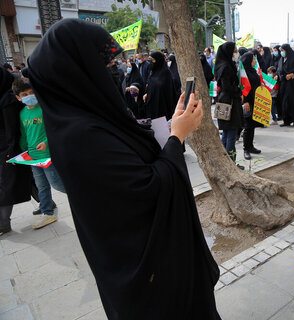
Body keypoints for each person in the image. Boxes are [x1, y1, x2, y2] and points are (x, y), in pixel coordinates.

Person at [28, 18, 221, 319]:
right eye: (102, 65)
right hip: (148, 280)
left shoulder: (89, 118)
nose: (110, 72)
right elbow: (146, 189)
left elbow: (133, 159)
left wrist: (172, 128)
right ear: (78, 72)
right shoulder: (80, 134)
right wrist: (178, 137)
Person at [12, 78, 66, 229]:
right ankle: (47, 212)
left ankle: (82, 196)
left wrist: (47, 143)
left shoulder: (44, 108)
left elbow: (55, 129)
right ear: (18, 97)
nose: (29, 96)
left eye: (31, 92)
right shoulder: (22, 113)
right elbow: (24, 134)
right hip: (33, 157)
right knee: (41, 185)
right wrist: (23, 152)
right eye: (24, 94)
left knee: (57, 184)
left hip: (48, 155)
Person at [0, 67, 33, 235]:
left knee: (7, 183)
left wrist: (11, 149)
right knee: (30, 176)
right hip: (14, 145)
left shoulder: (8, 100)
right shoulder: (9, 97)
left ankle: (3, 223)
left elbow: (12, 128)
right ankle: (46, 203)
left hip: (12, 146)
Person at [214, 42, 244, 169]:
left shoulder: (225, 64)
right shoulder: (226, 67)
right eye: (234, 51)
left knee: (226, 133)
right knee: (230, 133)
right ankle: (231, 164)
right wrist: (239, 92)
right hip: (229, 102)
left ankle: (224, 163)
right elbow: (227, 87)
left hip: (226, 100)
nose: (236, 54)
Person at [240, 52, 263, 160]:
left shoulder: (253, 71)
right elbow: (243, 89)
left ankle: (251, 146)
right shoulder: (243, 73)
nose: (255, 61)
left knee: (252, 125)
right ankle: (246, 149)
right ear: (248, 61)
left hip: (255, 101)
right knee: (248, 126)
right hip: (248, 102)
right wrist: (245, 102)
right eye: (253, 59)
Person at [144, 51, 177, 120]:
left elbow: (168, 92)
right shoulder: (152, 72)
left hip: (163, 106)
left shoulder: (166, 73)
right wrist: (147, 94)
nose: (151, 62)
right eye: (150, 60)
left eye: (153, 60)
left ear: (158, 60)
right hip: (153, 105)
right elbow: (151, 85)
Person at [279, 44, 294, 127]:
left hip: (292, 84)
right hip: (284, 83)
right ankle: (286, 120)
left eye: (283, 50)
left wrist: (293, 74)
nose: (281, 52)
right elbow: (280, 70)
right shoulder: (282, 59)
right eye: (281, 51)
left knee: (292, 102)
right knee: (284, 102)